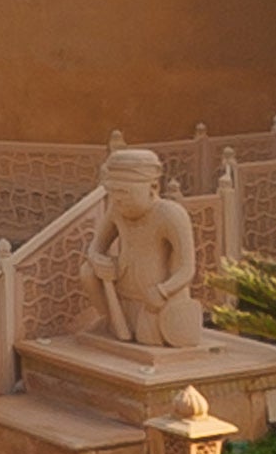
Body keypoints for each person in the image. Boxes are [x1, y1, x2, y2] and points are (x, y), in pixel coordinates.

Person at [85, 146, 210, 351]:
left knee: (147, 340)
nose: (118, 199)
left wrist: (163, 291)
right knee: (87, 272)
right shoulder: (116, 208)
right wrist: (98, 261)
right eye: (113, 193)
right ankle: (110, 320)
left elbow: (187, 268)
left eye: (125, 192)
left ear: (153, 188)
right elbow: (96, 247)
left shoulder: (171, 215)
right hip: (122, 291)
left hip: (155, 301)